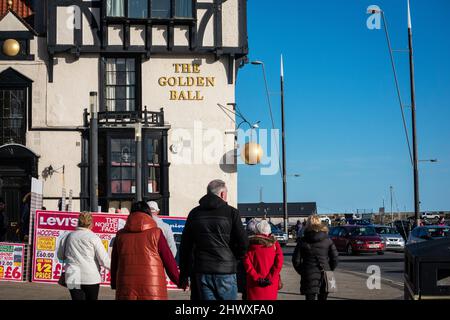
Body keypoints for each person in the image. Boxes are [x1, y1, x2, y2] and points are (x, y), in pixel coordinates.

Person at [179, 179, 248, 300]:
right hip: (226, 271)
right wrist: (233, 259)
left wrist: (184, 274)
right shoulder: (232, 213)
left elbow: (185, 246)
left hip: (202, 270)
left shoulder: (194, 213)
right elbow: (243, 243)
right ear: (222, 194)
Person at [110, 201, 180, 300]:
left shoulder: (121, 235)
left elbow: (115, 262)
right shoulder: (157, 233)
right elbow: (168, 260)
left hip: (126, 287)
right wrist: (179, 281)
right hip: (153, 288)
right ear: (148, 213)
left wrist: (114, 283)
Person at [57, 212, 111, 300]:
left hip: (72, 276)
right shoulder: (94, 237)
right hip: (91, 277)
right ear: (91, 224)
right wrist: (117, 270)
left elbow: (60, 256)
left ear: (78, 222)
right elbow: (104, 260)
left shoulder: (67, 237)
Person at [292, 215, 339, 301]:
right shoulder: (327, 240)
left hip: (309, 274)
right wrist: (329, 269)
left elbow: (296, 260)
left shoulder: (303, 241)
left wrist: (303, 272)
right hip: (325, 274)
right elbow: (335, 258)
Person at [243, 219, 283, 300]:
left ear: (257, 231)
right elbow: (279, 263)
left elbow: (248, 265)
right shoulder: (275, 245)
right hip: (271, 284)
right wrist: (270, 278)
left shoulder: (250, 246)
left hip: (254, 284)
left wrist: (257, 278)